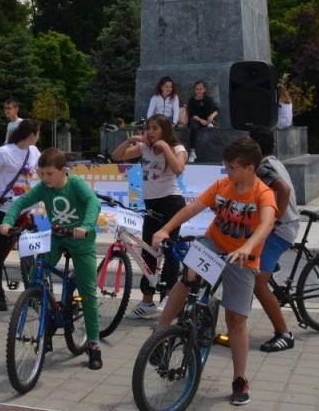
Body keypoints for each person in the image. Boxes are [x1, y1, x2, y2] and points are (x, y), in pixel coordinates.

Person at [150, 137, 277, 406]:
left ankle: (240, 379)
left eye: (232, 167)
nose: (227, 171)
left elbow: (266, 224)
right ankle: (159, 336)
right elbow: (192, 208)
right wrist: (164, 229)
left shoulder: (263, 194)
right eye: (226, 165)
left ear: (250, 168)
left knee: (236, 321)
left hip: (244, 256)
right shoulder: (222, 186)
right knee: (188, 276)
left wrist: (248, 246)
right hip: (215, 242)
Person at [0, 148, 103, 371]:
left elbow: (94, 204)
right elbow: (20, 202)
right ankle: (45, 317)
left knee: (88, 293)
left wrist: (85, 227)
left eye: (49, 174)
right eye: (42, 174)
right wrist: (7, 221)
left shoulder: (76, 185)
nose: (44, 178)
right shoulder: (44, 188)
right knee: (34, 276)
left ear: (63, 171)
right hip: (56, 238)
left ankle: (93, 344)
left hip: (81, 241)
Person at [111, 114, 188, 319]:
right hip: (151, 205)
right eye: (148, 128)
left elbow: (179, 169)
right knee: (148, 250)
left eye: (155, 128)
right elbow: (117, 156)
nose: (150, 132)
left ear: (164, 129)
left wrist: (164, 147)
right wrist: (129, 140)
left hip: (171, 203)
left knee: (169, 249)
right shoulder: (144, 148)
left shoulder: (177, 149)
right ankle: (147, 301)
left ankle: (170, 297)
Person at [244, 125, 300, 352]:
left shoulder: (265, 167)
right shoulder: (272, 161)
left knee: (258, 283)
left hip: (281, 231)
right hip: (275, 227)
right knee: (244, 272)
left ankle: (284, 334)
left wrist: (274, 221)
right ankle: (237, 327)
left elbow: (284, 190)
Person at [0, 119, 41, 311]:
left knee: (30, 252)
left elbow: (41, 173)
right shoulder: (4, 152)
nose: (38, 138)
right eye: (37, 134)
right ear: (31, 135)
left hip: (26, 210)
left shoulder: (34, 152)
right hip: (4, 210)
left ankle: (31, 293)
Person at [185, 80, 219, 163]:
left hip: (208, 120)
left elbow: (216, 109)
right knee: (193, 127)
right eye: (197, 89)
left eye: (201, 89)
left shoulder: (208, 99)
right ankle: (192, 152)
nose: (199, 91)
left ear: (204, 89)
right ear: (194, 90)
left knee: (211, 124)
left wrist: (211, 116)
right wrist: (200, 120)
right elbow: (191, 114)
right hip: (196, 120)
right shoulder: (191, 100)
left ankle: (210, 123)